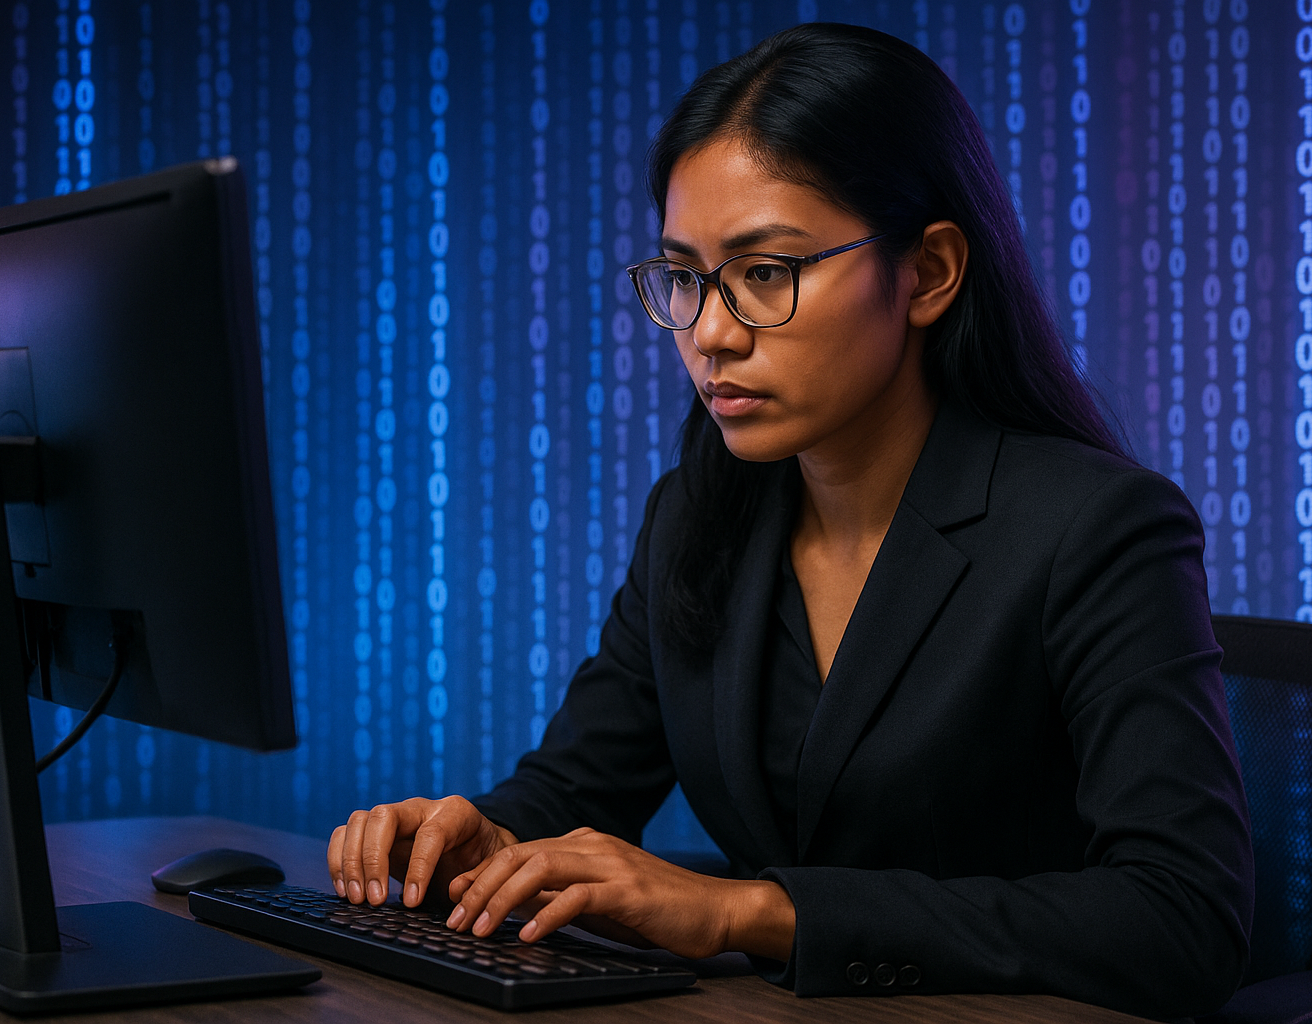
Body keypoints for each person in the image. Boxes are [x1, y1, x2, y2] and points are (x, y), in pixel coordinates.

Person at [328, 22, 1253, 1019]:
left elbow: (1182, 917)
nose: (710, 332)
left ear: (929, 272)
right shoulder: (697, 514)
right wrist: (483, 839)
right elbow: (577, 792)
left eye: (766, 272)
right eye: (684, 275)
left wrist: (754, 912)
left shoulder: (1097, 527)